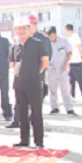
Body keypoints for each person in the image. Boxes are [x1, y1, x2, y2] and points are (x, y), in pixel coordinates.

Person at [12, 18, 50, 148]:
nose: (21, 31)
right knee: (22, 113)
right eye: (18, 29)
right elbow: (14, 63)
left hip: (33, 83)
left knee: (36, 113)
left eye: (24, 28)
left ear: (29, 29)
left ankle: (39, 141)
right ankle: (24, 140)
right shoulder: (15, 45)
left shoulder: (37, 44)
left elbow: (45, 62)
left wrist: (35, 73)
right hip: (19, 84)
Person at [47, 26, 75, 115]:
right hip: (51, 68)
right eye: (50, 37)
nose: (51, 38)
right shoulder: (46, 42)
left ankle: (69, 107)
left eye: (52, 36)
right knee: (52, 89)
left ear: (55, 34)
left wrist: (66, 64)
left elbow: (69, 52)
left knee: (65, 89)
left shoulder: (64, 41)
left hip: (62, 67)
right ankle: (54, 107)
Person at [65, 24, 82, 99]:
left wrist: (81, 56)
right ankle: (72, 96)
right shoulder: (68, 38)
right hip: (71, 62)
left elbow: (79, 47)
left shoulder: (75, 36)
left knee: (80, 79)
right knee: (71, 80)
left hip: (77, 61)